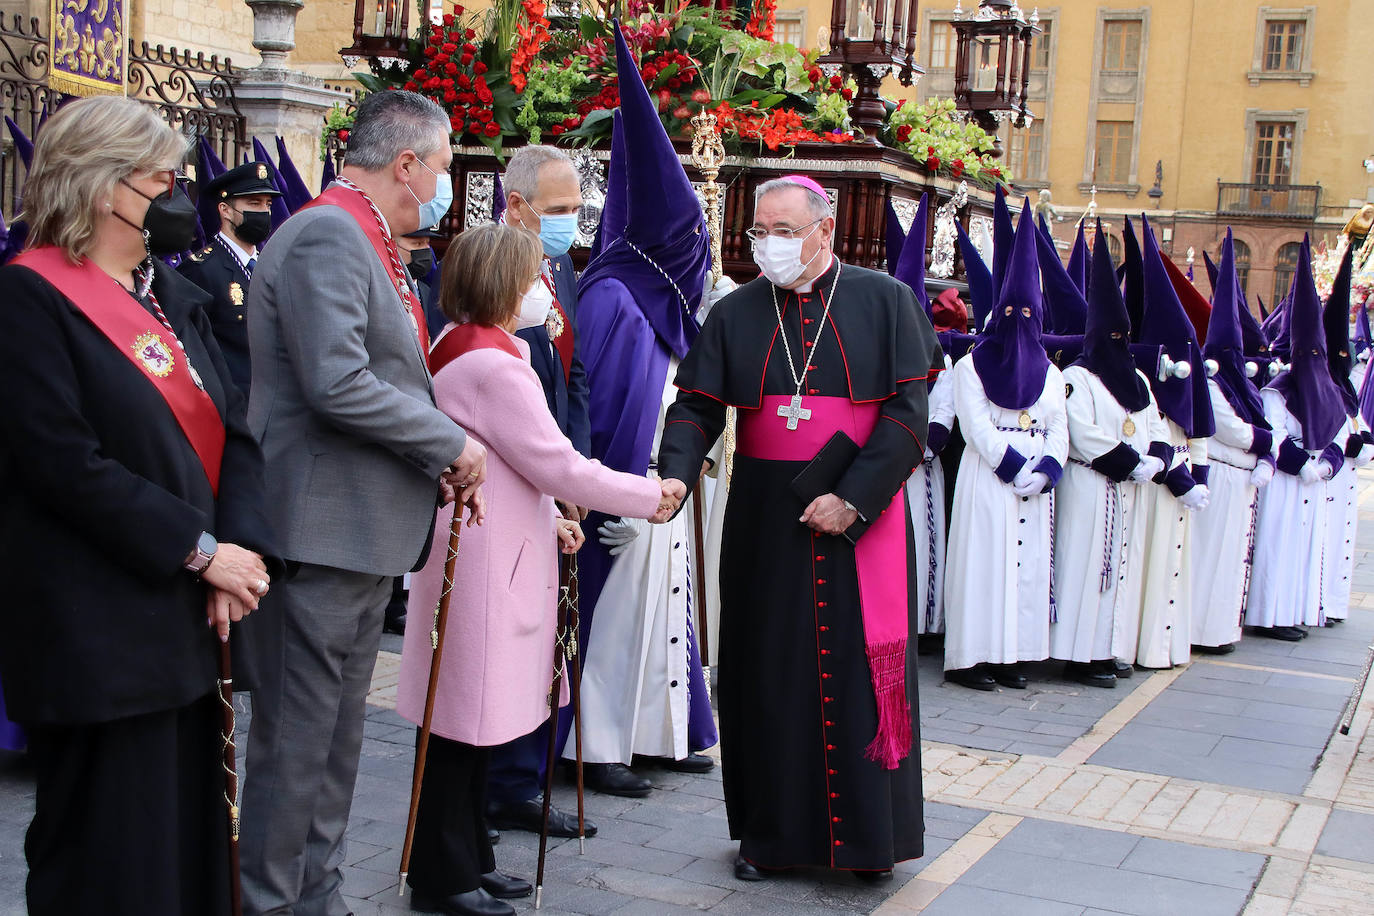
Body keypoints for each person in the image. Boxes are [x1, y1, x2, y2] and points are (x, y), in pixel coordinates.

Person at [0, 96, 277, 915]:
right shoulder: (31, 298)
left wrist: (238, 555)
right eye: (160, 178)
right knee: (112, 852)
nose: (175, 194)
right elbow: (62, 465)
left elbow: (237, 433)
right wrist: (198, 550)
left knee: (188, 845)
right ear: (99, 185)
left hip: (192, 621)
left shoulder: (172, 292)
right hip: (101, 630)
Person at [237, 90, 486, 916]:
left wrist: (431, 445)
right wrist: (446, 442)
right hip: (321, 529)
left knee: (336, 747)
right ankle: (273, 901)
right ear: (406, 163)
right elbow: (336, 380)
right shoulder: (328, 236)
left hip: (361, 531)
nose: (445, 187)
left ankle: (321, 896)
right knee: (296, 747)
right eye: (443, 169)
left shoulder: (371, 239)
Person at [655, 171, 939, 881]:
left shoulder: (887, 301)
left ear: (825, 231)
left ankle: (869, 842)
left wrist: (854, 498)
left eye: (785, 232)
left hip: (858, 518)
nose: (769, 246)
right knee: (765, 673)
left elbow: (908, 418)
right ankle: (768, 836)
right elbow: (695, 406)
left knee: (856, 673)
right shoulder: (737, 311)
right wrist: (675, 473)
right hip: (762, 518)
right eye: (760, 232)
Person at [396, 222, 667, 916]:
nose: (544, 292)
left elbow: (515, 467)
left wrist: (551, 519)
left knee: (472, 724)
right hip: (486, 563)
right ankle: (444, 874)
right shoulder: (492, 363)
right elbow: (555, 462)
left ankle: (469, 859)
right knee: (461, 726)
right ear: (503, 285)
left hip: (495, 547)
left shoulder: (472, 346)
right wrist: (645, 495)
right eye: (533, 280)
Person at [571, 28, 723, 799]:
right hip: (623, 492)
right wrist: (616, 489)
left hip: (657, 486)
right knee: (616, 612)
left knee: (663, 603)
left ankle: (657, 731)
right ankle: (600, 744)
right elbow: (599, 406)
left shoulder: (653, 299)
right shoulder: (615, 299)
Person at [485, 143, 596, 838]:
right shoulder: (484, 266)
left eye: (576, 210)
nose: (569, 225)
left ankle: (525, 781)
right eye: (557, 212)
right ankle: (485, 787)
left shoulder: (558, 269)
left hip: (553, 480)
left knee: (549, 641)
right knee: (501, 643)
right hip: (506, 486)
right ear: (518, 205)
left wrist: (573, 468)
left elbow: (573, 375)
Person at [943, 197, 1069, 691]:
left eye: (1027, 312)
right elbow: (975, 426)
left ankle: (1012, 654)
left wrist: (1047, 470)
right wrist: (1013, 466)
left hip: (1033, 481)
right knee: (985, 565)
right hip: (990, 478)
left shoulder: (1053, 373)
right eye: (1010, 311)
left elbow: (1060, 426)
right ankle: (972, 658)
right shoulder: (972, 365)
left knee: (1025, 570)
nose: (1019, 320)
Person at [1051, 225, 1166, 687]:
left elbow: (1154, 420)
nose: (1120, 342)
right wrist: (1129, 462)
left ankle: (1109, 647)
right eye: (1112, 335)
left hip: (1129, 489)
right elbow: (1084, 432)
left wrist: (1155, 459)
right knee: (1084, 566)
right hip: (1091, 485)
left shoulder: (1137, 377)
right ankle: (1079, 654)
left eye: (1126, 335)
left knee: (1120, 568)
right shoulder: (1078, 376)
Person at [1246, 239, 1348, 638]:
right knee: (1278, 546)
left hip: (1314, 481)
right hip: (1287, 483)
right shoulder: (1278, 389)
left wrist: (1326, 464)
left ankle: (1299, 610)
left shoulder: (1329, 389)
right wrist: (1303, 464)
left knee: (1306, 548)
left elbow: (1339, 432)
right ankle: (1270, 615)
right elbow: (1274, 435)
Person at [1127, 217, 1214, 669]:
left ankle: (1168, 646)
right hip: (1154, 483)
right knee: (1148, 566)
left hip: (1180, 486)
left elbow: (1196, 428)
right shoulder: (1146, 374)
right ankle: (1142, 646)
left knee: (1174, 569)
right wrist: (1179, 477)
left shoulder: (1189, 369)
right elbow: (1155, 430)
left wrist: (1198, 475)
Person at [1189, 232, 1274, 653]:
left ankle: (1222, 628)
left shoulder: (1245, 386)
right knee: (1208, 557)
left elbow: (1256, 422)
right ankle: (1200, 630)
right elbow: (1231, 429)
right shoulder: (1210, 381)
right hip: (1221, 474)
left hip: (1242, 481)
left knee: (1231, 560)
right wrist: (1265, 441)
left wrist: (1264, 449)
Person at [179, 160, 281, 394]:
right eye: (254, 203)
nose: (263, 212)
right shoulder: (200, 270)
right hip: (233, 402)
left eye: (267, 204)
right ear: (225, 210)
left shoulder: (273, 265)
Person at [1318, 244, 1372, 625]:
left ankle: (1335, 604)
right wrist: (1348, 446)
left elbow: (1363, 431)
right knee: (1322, 544)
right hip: (1324, 480)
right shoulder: (1312, 389)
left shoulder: (1348, 390)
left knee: (1342, 545)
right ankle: (1318, 603)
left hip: (1347, 482)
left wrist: (1360, 445)